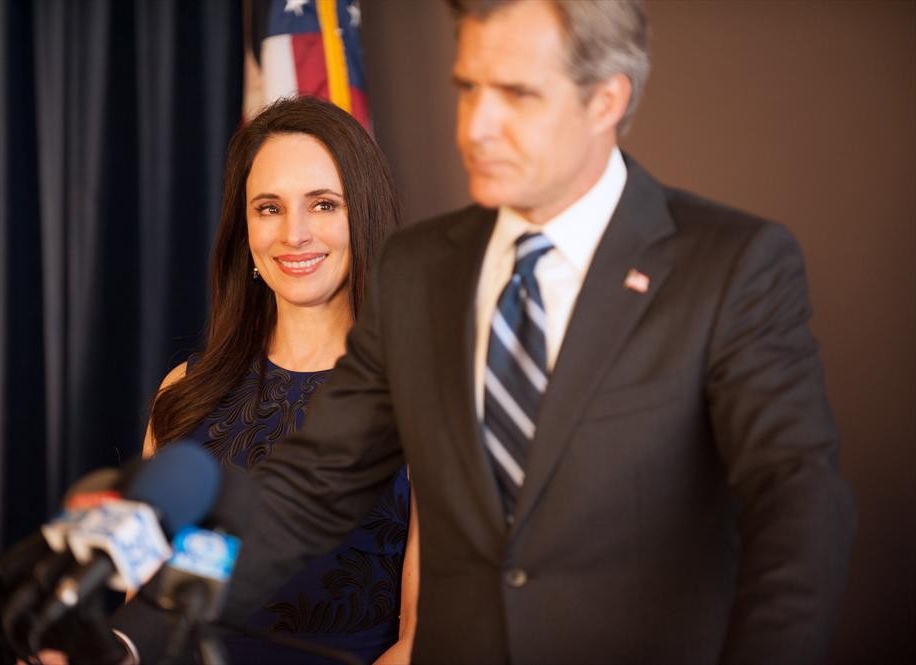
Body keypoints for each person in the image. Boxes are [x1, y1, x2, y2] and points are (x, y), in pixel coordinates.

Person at [118, 2, 855, 663]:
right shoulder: (420, 269)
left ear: (606, 100)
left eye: (516, 95)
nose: (476, 126)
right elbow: (306, 495)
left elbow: (795, 504)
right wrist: (126, 640)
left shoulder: (730, 264)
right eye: (468, 88)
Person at [141, 96, 416, 664]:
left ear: (361, 215)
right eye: (269, 207)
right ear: (245, 232)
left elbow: (428, 637)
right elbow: (140, 609)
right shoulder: (183, 395)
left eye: (322, 204)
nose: (294, 233)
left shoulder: (422, 402)